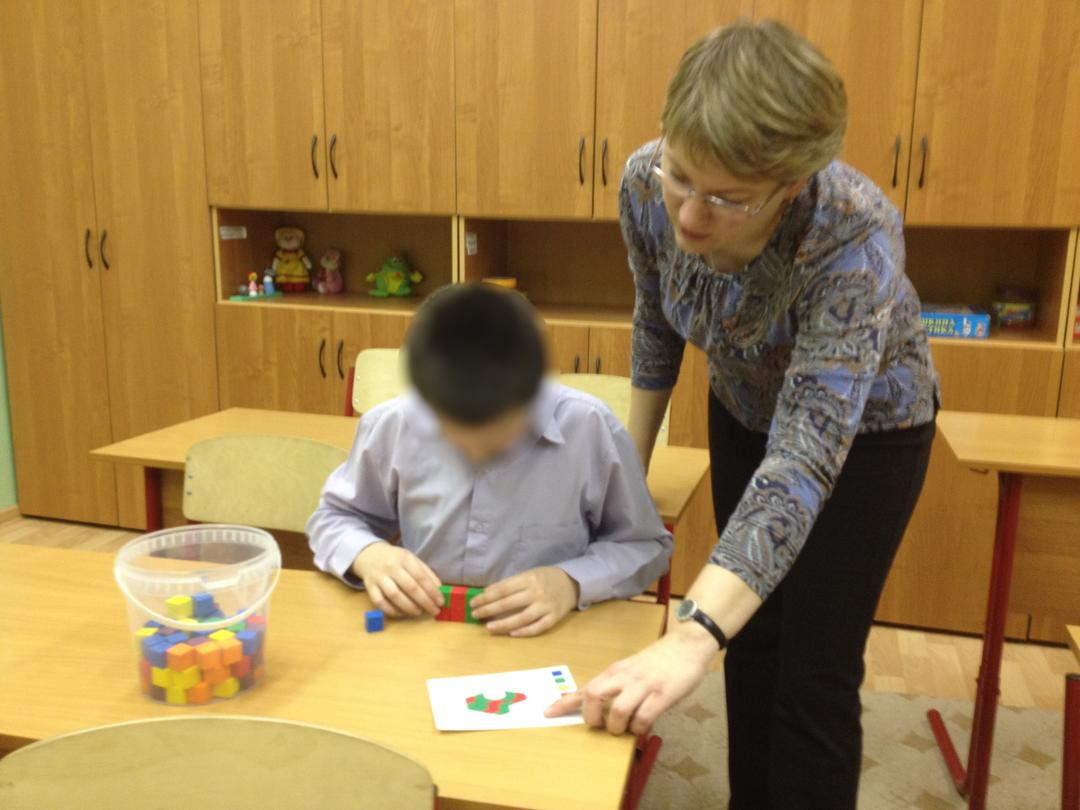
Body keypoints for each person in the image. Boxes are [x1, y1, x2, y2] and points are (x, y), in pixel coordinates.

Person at [546, 20, 939, 808]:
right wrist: (630, 470)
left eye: (727, 198)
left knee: (814, 671)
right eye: (682, 177)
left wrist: (690, 635)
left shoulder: (853, 235)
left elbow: (803, 459)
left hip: (867, 438)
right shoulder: (644, 181)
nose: (689, 217)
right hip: (742, 408)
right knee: (751, 642)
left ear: (790, 186)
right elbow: (657, 319)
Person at [306, 283, 673, 638]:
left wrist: (570, 583)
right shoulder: (395, 423)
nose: (476, 452)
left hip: (549, 638)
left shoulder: (589, 428)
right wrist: (369, 555)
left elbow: (644, 546)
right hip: (425, 633)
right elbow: (334, 518)